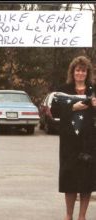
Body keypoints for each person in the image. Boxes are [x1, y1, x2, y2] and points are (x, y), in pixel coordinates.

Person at [51, 56, 96, 220]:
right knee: (69, 178)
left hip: (88, 142)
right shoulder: (63, 89)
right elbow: (54, 112)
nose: (80, 73)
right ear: (73, 71)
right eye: (77, 70)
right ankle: (68, 215)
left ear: (87, 73)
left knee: (86, 181)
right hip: (69, 141)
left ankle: (82, 216)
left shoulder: (93, 90)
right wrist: (72, 107)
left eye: (83, 70)